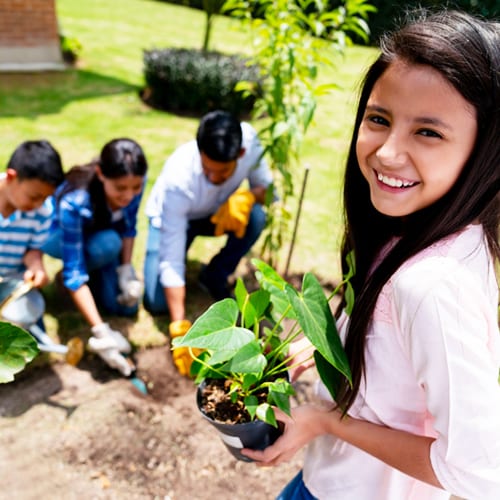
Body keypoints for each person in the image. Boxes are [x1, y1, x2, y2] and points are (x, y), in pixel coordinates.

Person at [242, 9, 500, 499]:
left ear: (484, 150)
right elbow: (396, 345)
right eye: (379, 119)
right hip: (329, 480)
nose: (386, 152)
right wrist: (325, 345)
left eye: (428, 132)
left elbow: (477, 473)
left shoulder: (430, 284)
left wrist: (329, 422)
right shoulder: (423, 230)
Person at [143, 110, 273, 375]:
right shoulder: (177, 180)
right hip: (174, 219)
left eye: (222, 172)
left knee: (256, 217)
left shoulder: (249, 141)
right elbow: (171, 257)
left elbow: (269, 191)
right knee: (157, 303)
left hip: (216, 213)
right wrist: (180, 326)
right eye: (207, 170)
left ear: (240, 154)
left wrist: (247, 197)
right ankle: (183, 296)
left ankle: (214, 274)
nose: (213, 178)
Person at [43, 138, 148, 376]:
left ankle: (102, 271)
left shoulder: (132, 184)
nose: (129, 195)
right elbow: (75, 272)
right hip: (57, 235)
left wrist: (125, 271)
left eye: (136, 188)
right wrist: (101, 333)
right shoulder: (75, 202)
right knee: (108, 244)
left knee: (123, 308)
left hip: (99, 230)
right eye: (120, 188)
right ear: (101, 174)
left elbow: (128, 227)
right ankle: (63, 282)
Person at [0, 140, 65, 343]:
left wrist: (36, 266)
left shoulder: (43, 212)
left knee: (28, 338)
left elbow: (33, 250)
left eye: (45, 198)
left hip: (14, 284)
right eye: (34, 196)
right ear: (12, 177)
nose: (38, 205)